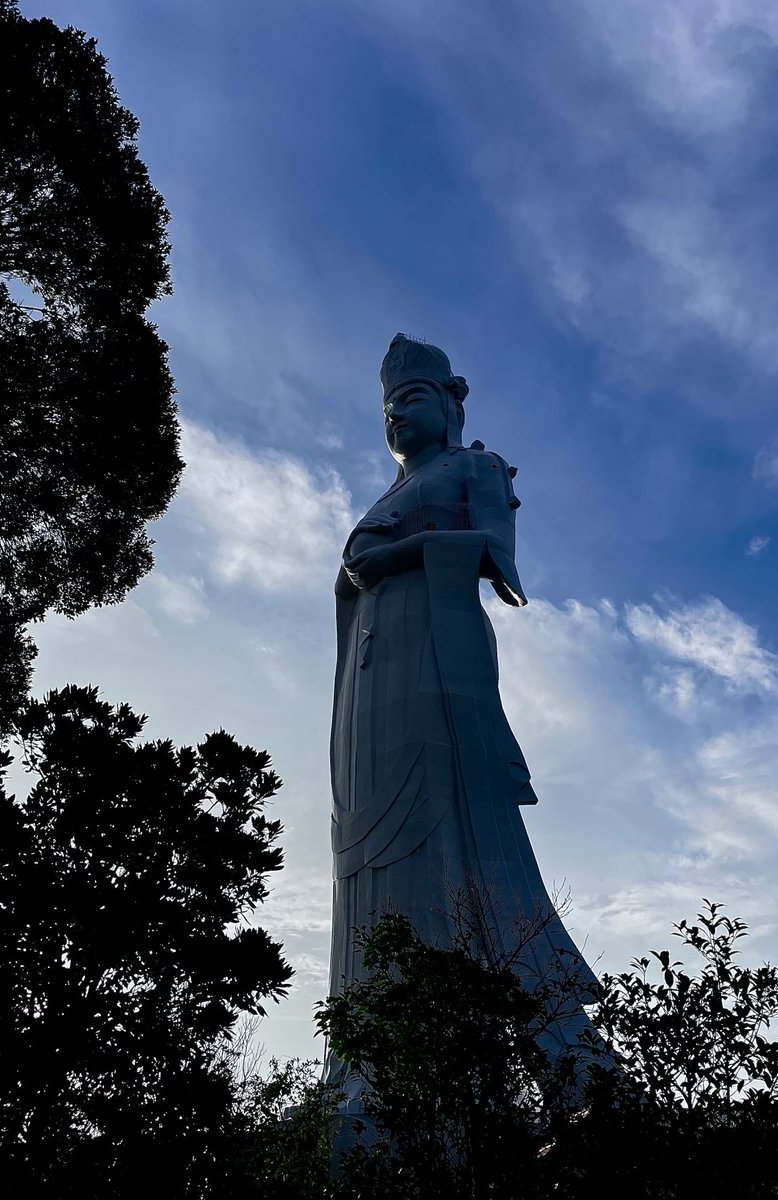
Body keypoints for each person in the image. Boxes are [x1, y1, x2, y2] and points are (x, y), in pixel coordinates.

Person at [327, 334, 598, 1093]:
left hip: (437, 666)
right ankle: (367, 1067)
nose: (396, 416)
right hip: (367, 688)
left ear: (450, 404)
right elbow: (354, 580)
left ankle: (552, 1070)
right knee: (369, 848)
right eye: (387, 408)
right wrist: (359, 574)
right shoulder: (381, 498)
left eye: (412, 399)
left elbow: (500, 562)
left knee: (451, 828)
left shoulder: (473, 467)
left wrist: (403, 556)